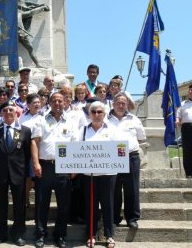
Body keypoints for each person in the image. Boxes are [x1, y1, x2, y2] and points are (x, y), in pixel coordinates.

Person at [31, 92, 79, 248]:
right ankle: (40, 234)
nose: (58, 103)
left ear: (65, 102)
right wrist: (36, 163)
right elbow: (34, 142)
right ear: (49, 103)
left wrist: (74, 166)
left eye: (60, 101)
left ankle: (60, 235)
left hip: (64, 167)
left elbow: (75, 145)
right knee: (41, 203)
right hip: (45, 166)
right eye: (54, 101)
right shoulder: (41, 120)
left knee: (64, 204)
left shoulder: (71, 122)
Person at [0, 100, 31, 246]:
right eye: (5, 110)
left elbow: (27, 153)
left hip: (18, 173)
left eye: (10, 110)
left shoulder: (24, 131)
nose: (8, 113)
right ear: (1, 113)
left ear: (16, 112)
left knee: (19, 205)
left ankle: (18, 234)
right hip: (0, 172)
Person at [81, 101, 117, 248]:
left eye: (99, 112)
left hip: (108, 174)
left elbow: (120, 149)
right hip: (88, 175)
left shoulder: (113, 130)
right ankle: (91, 235)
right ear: (89, 114)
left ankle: (109, 235)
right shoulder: (82, 131)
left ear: (104, 114)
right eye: (93, 112)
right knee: (91, 206)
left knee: (108, 205)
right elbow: (75, 149)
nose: (96, 114)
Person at [108, 92, 146, 229]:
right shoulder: (105, 119)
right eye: (118, 102)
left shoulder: (134, 119)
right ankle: (114, 217)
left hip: (131, 156)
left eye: (123, 103)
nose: (121, 105)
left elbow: (141, 137)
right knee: (114, 189)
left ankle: (132, 218)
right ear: (113, 103)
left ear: (127, 105)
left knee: (132, 189)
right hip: (112, 157)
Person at [19, 94, 41, 209]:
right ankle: (26, 199)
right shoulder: (22, 117)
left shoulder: (44, 116)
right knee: (27, 176)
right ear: (28, 105)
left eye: (38, 102)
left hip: (41, 151)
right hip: (26, 150)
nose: (37, 104)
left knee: (39, 177)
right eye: (34, 102)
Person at [18, 0, 49, 67]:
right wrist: (42, 7)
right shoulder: (18, 14)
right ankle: (37, 64)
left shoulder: (15, 14)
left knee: (30, 48)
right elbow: (31, 12)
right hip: (19, 34)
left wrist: (41, 7)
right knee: (30, 48)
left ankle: (37, 64)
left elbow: (31, 12)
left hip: (18, 35)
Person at [176, 84, 192, 178]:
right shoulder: (183, 104)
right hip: (186, 128)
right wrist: (177, 121)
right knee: (187, 150)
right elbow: (178, 116)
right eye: (190, 90)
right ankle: (189, 173)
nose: (190, 91)